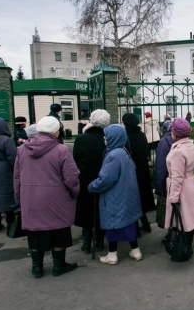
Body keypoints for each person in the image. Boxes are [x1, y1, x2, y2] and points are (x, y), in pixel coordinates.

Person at [14, 116, 80, 278]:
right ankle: (59, 266)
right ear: (56, 132)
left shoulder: (22, 150)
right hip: (56, 198)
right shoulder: (61, 150)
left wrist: (19, 198)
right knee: (59, 231)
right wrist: (74, 193)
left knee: (34, 233)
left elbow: (16, 177)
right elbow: (71, 178)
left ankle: (37, 268)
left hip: (30, 199)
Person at [88, 125, 143, 265]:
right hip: (128, 195)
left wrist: (92, 186)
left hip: (115, 196)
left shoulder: (113, 155)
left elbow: (106, 179)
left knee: (113, 224)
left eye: (106, 137)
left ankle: (112, 255)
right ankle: (136, 250)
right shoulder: (124, 151)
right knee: (129, 222)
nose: (104, 139)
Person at [164, 119, 194, 260]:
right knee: (188, 218)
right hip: (190, 184)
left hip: (182, 189)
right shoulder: (190, 146)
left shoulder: (177, 152)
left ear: (174, 133)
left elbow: (177, 178)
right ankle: (187, 248)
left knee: (181, 219)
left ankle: (182, 250)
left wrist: (173, 198)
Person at [73, 109, 110, 254]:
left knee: (86, 209)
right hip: (104, 178)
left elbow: (75, 159)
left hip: (85, 179)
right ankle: (100, 241)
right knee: (101, 209)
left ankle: (87, 242)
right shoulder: (107, 138)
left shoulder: (81, 138)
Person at [122, 113, 155, 234]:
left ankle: (135, 228)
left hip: (131, 171)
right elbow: (146, 151)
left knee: (132, 198)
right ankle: (145, 223)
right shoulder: (141, 135)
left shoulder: (125, 136)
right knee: (142, 197)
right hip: (143, 171)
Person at [154, 118, 174, 229]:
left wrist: (159, 186)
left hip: (168, 180)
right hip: (183, 181)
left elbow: (161, 166)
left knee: (169, 208)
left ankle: (173, 234)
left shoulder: (164, 141)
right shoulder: (184, 140)